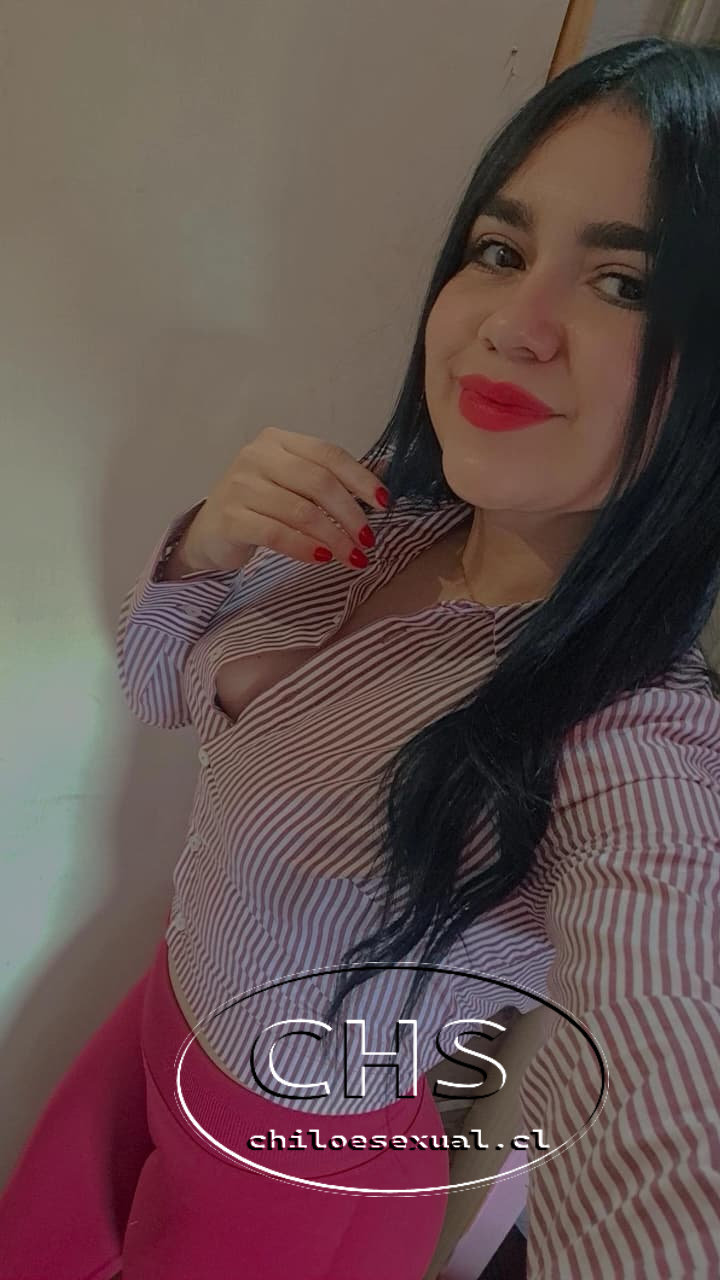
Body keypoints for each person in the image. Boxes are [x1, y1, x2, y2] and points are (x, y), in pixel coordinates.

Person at [2, 33, 720, 1280]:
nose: (515, 324)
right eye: (500, 252)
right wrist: (208, 546)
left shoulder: (634, 730)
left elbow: (667, 1070)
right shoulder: (380, 515)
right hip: (165, 1016)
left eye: (624, 284)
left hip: (297, 1162)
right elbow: (158, 681)